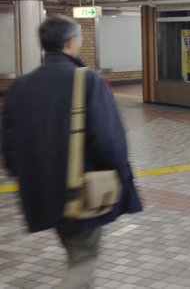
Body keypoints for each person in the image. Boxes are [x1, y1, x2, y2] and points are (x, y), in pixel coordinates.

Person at [1, 15, 142, 289]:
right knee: (84, 260)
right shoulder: (86, 79)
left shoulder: (21, 85)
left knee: (76, 252)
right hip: (80, 188)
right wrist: (123, 175)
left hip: (40, 190)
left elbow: (8, 142)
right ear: (71, 42)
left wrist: (24, 176)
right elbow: (108, 139)